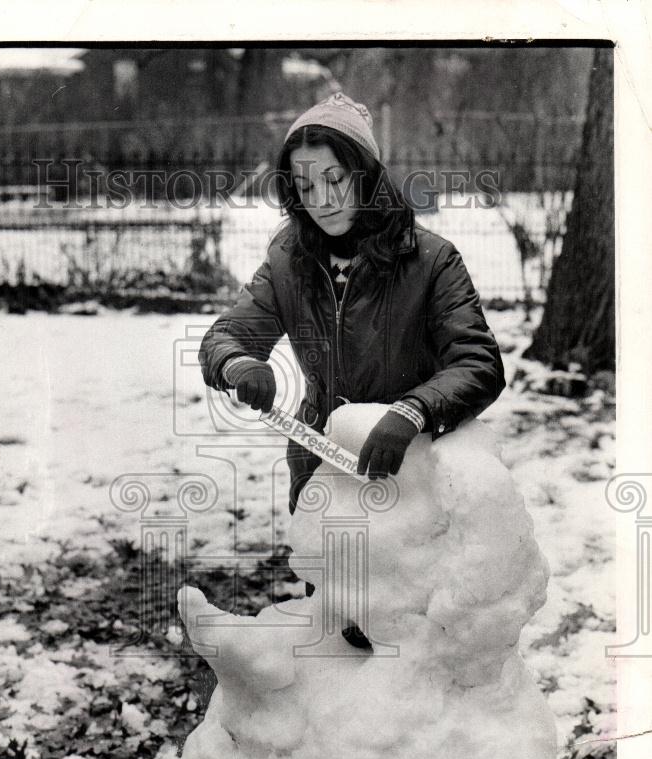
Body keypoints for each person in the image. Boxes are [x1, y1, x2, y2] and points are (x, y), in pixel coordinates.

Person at [198, 93, 506, 644]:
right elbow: (225, 336)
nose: (321, 199)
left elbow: (478, 362)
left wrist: (412, 411)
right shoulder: (290, 260)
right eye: (305, 185)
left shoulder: (431, 260)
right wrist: (240, 363)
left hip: (405, 470)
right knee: (336, 631)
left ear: (365, 174)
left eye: (334, 178)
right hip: (320, 467)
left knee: (403, 638)